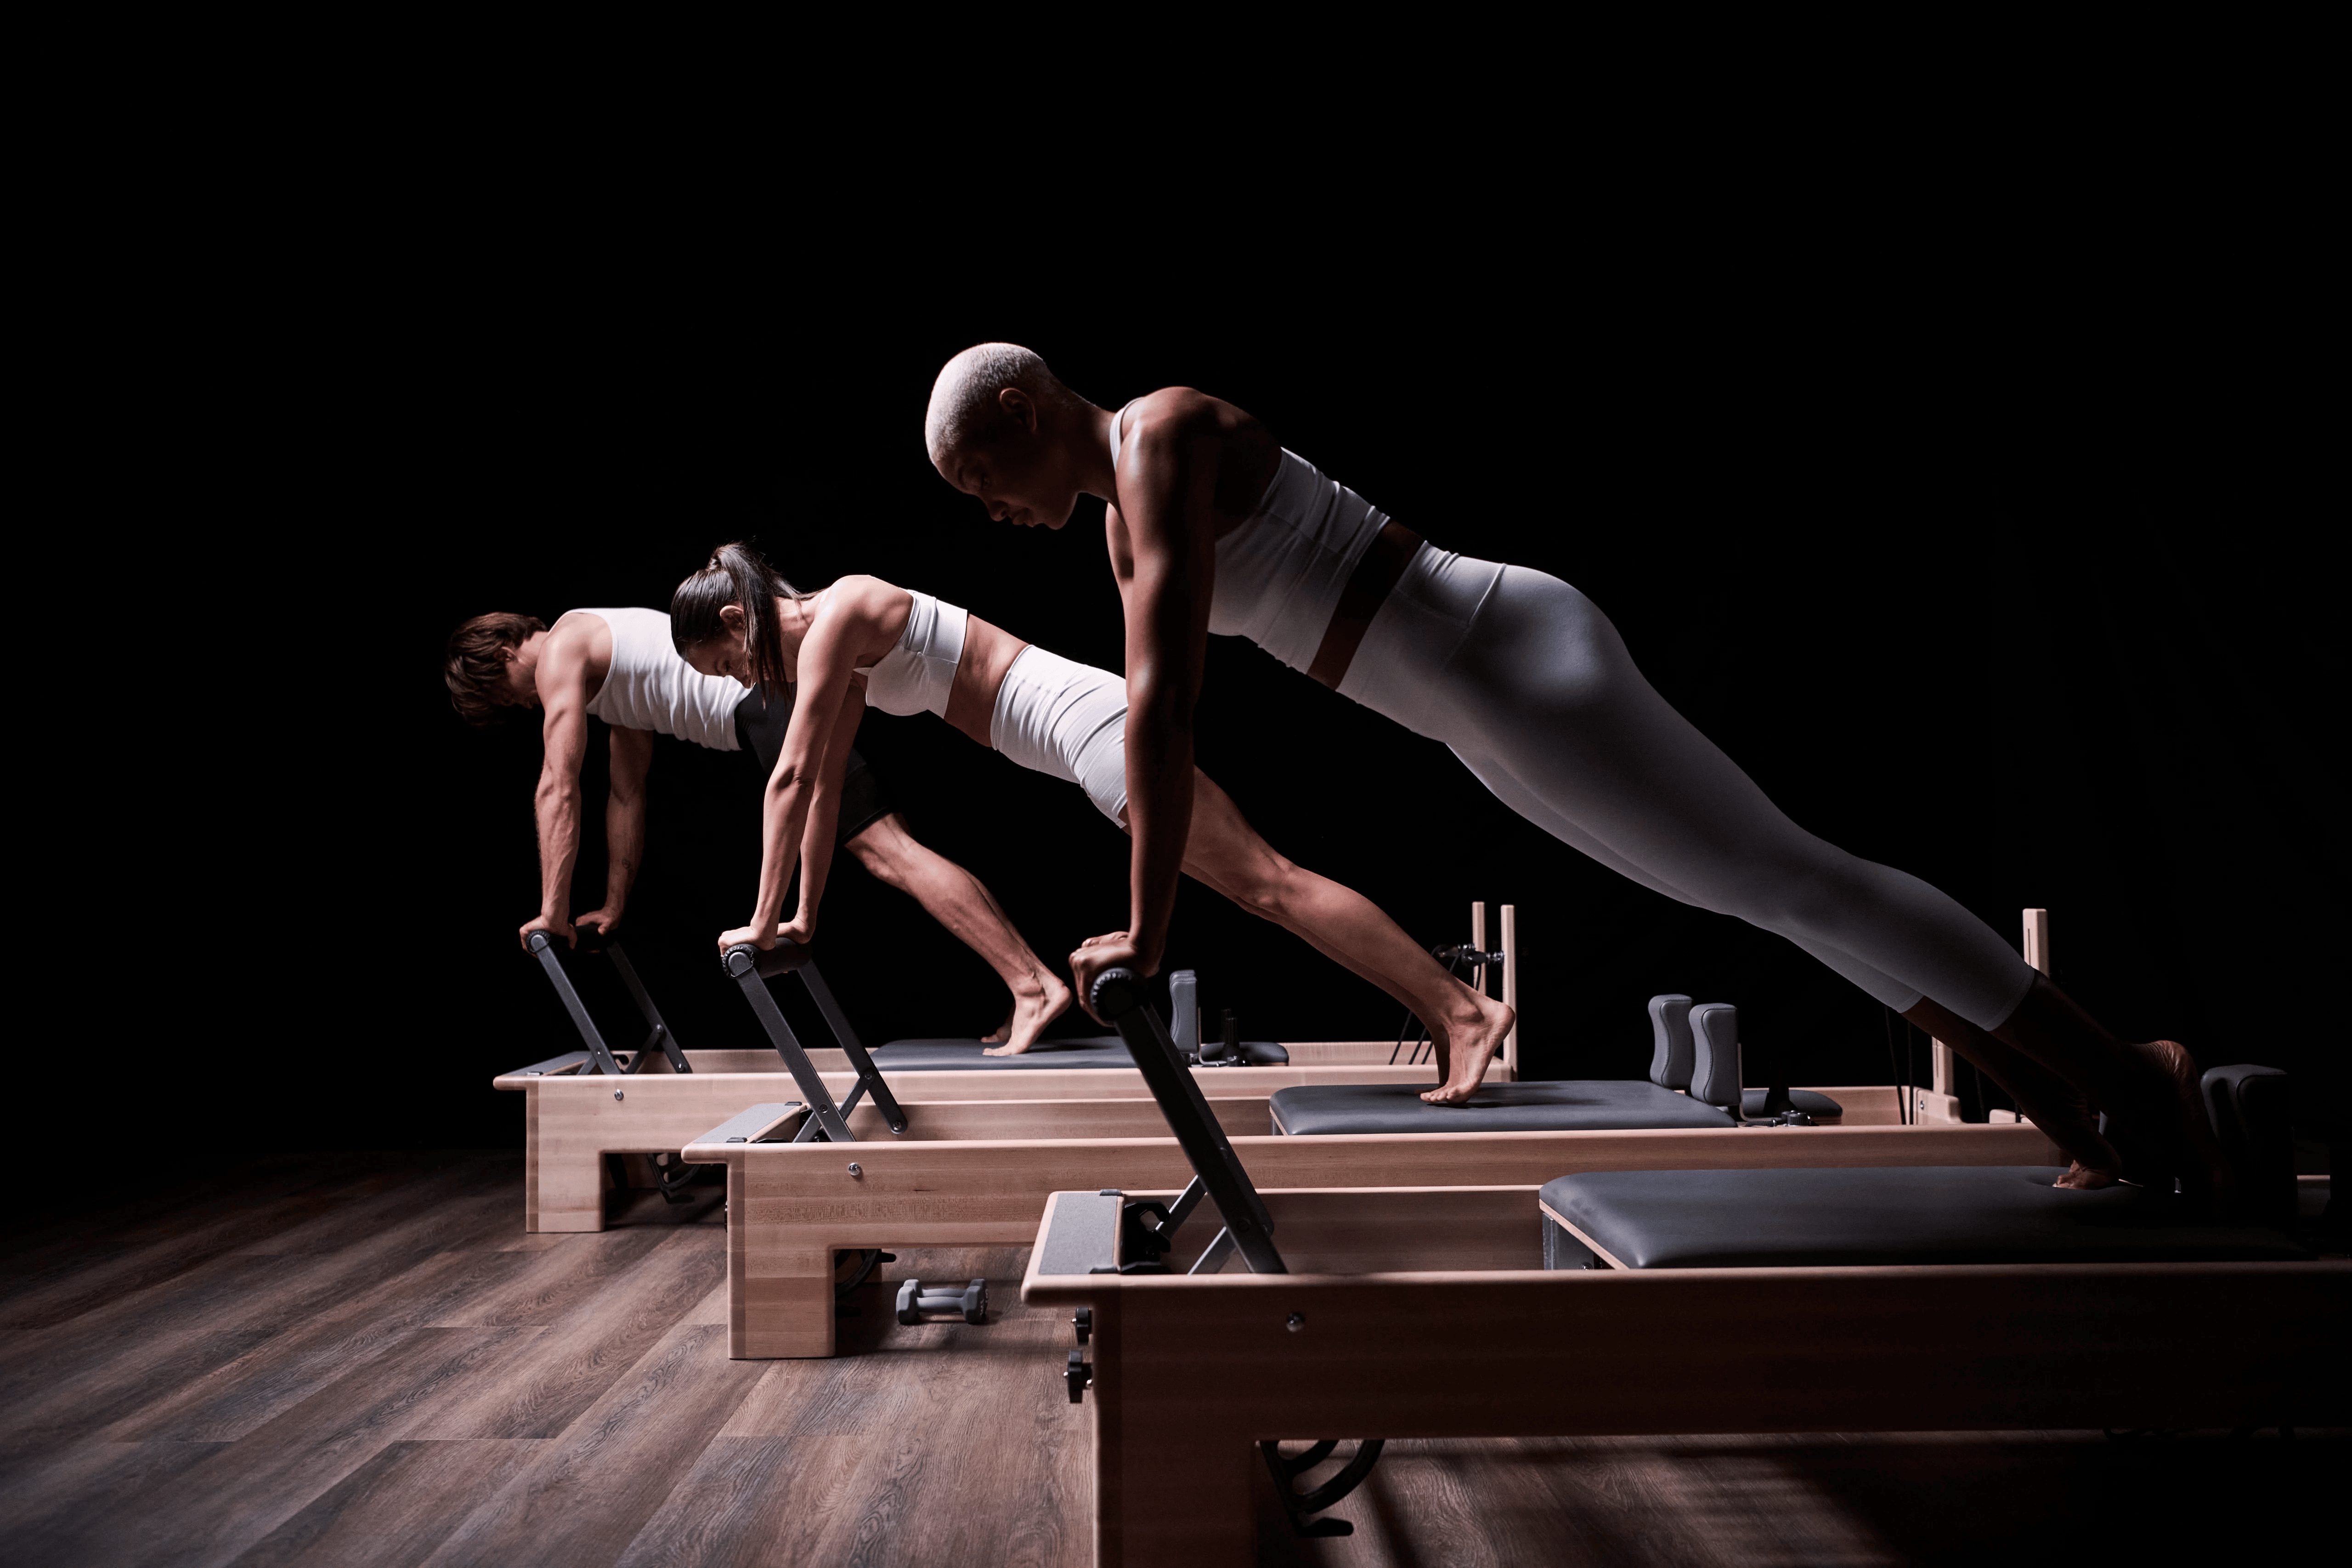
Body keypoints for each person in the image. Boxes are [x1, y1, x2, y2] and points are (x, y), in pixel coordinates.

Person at [920, 342, 2224, 1190]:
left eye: (986, 475)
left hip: (1513, 657)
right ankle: (2079, 1116)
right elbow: (1161, 705)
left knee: (1798, 878)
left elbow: (1162, 710)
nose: (992, 510)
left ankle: (2131, 1074)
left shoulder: (1160, 436)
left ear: (1030, 409)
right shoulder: (1118, 535)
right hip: (1477, 719)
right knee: (1770, 899)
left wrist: (1147, 929)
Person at [667, 543, 1513, 1093]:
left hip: (1097, 729)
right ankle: (1454, 1015)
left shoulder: (837, 615)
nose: (744, 681)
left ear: (738, 620)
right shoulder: (836, 646)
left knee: (1269, 884)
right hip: (1092, 736)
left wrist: (758, 917)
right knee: (1268, 887)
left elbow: (783, 781)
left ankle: (1465, 1011)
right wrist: (803, 913)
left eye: (729, 661)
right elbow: (817, 791)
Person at [441, 605, 1072, 1051]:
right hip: (768, 708)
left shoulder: (562, 648)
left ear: (505, 655)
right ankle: (1030, 979)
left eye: (508, 697)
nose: (524, 706)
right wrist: (611, 901)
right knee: (897, 851)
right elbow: (626, 795)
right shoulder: (605, 678)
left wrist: (552, 911)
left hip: (768, 703)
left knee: (891, 854)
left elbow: (558, 785)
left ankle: (1032, 983)